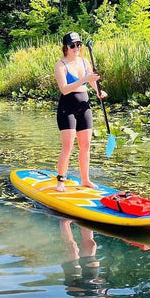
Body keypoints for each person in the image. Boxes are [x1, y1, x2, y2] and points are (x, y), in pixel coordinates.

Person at [54, 31, 106, 192]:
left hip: (84, 105)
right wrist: (84, 79)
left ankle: (85, 180)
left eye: (78, 45)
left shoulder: (84, 62)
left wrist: (98, 91)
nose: (76, 48)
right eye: (72, 45)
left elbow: (91, 82)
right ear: (66, 47)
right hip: (67, 107)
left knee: (86, 145)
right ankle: (61, 181)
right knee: (68, 146)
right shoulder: (60, 65)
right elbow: (64, 89)